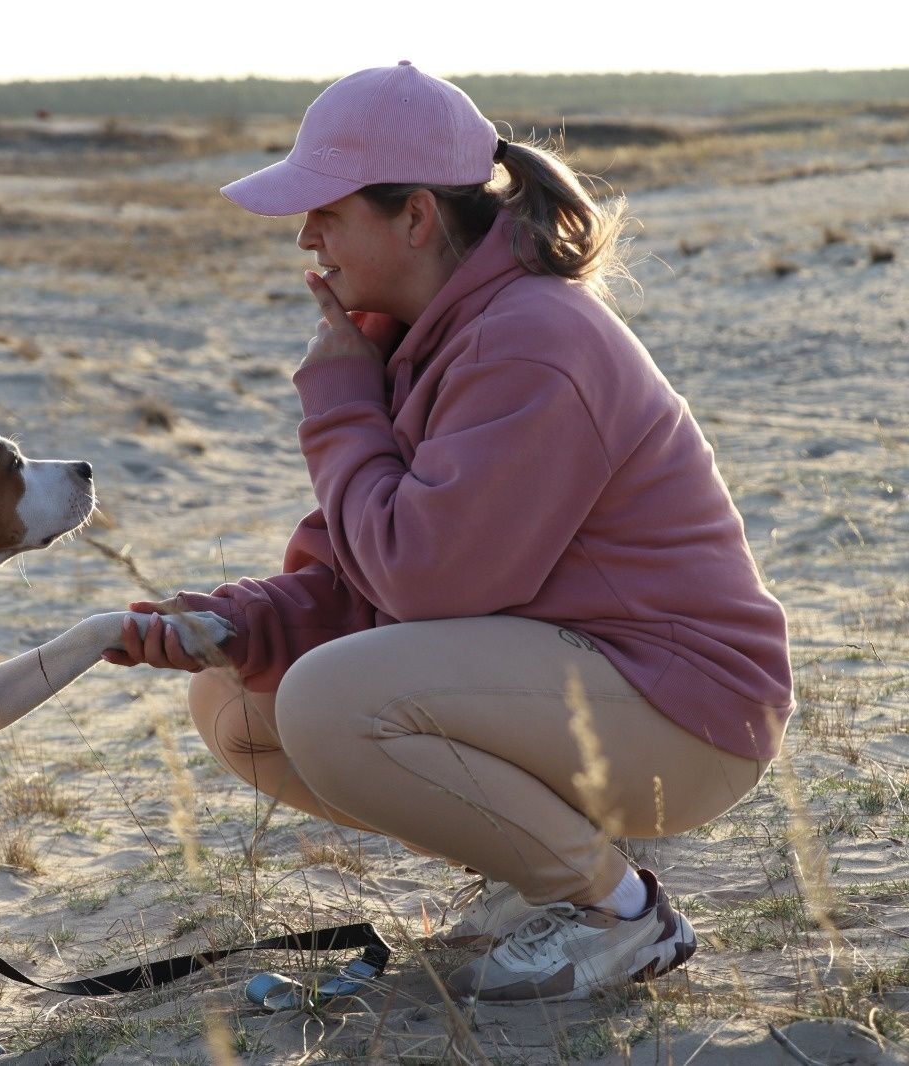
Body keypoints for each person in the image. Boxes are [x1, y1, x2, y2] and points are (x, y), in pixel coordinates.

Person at [101, 62, 793, 1003]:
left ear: (417, 216)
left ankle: (613, 912)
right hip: (587, 683)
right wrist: (229, 624)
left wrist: (341, 398)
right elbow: (359, 573)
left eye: (328, 211)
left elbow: (422, 583)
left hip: (687, 712)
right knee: (238, 704)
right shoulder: (425, 335)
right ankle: (541, 875)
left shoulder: (530, 337)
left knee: (328, 702)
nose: (305, 237)